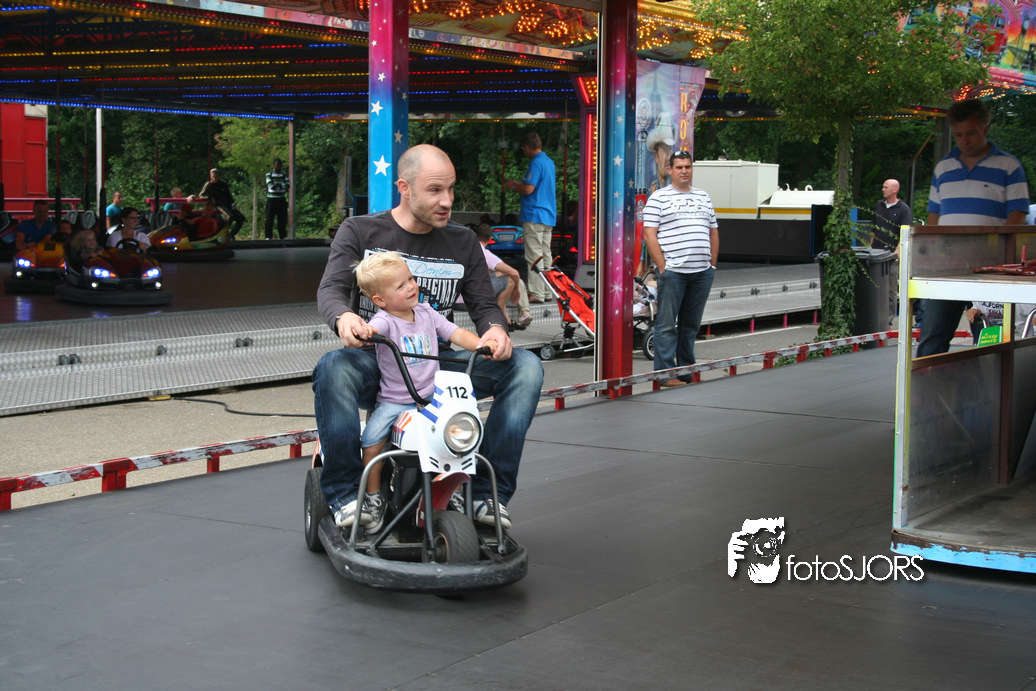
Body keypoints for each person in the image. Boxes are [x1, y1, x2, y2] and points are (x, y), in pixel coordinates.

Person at [313, 143, 543, 530]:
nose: (447, 200)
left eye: (451, 189)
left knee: (527, 367)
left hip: (436, 365)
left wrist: (496, 330)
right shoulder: (361, 231)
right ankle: (349, 495)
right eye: (435, 190)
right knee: (333, 367)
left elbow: (484, 306)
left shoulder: (463, 241)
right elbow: (331, 290)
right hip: (378, 363)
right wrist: (345, 316)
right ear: (405, 188)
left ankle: (486, 494)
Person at [352, 251, 490, 532]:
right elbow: (371, 329)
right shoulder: (385, 320)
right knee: (372, 443)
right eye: (400, 286)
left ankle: (454, 492)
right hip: (395, 401)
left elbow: (454, 333)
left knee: (457, 436)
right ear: (380, 300)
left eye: (410, 279)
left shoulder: (427, 313)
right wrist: (363, 332)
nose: (411, 287)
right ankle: (373, 496)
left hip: (433, 397)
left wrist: (481, 345)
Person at [917, 98, 1030, 357]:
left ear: (985, 129)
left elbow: (1018, 214)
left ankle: (998, 378)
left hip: (992, 266)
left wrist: (999, 251)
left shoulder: (1008, 166)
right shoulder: (944, 168)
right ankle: (929, 380)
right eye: (958, 135)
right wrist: (933, 253)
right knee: (932, 336)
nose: (965, 141)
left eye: (971, 133)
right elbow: (934, 215)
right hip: (949, 265)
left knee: (1000, 333)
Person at [642, 150, 719, 387]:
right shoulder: (659, 198)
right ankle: (665, 375)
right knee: (666, 325)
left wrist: (712, 264)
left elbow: (713, 231)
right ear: (670, 170)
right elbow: (649, 234)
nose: (684, 171)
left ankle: (686, 371)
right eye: (679, 167)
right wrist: (663, 267)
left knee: (690, 326)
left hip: (701, 272)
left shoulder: (703, 196)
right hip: (674, 272)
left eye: (687, 166)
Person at [506, 132, 556, 304]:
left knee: (534, 255)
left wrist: (514, 186)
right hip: (548, 215)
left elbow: (528, 189)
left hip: (534, 214)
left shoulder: (536, 163)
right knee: (546, 254)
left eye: (524, 149)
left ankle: (536, 292)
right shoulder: (549, 162)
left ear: (527, 147)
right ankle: (548, 291)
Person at [475, 223, 533, 330]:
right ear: (490, 238)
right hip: (475, 294)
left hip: (467, 292)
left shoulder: (469, 249)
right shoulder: (485, 253)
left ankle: (508, 320)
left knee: (504, 278)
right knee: (510, 280)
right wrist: (516, 289)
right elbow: (514, 273)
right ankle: (508, 316)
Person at [872, 179, 912, 325]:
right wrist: (870, 248)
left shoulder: (904, 209)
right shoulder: (879, 205)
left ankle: (887, 320)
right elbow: (873, 229)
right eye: (883, 187)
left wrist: (897, 252)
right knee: (875, 286)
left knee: (890, 288)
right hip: (876, 252)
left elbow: (905, 233)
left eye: (886, 187)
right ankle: (874, 317)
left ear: (895, 190)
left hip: (891, 254)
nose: (883, 189)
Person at [192, 168, 245, 238]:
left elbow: (229, 196)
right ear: (210, 176)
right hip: (220, 204)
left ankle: (232, 234)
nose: (215, 178)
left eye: (216, 176)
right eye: (213, 176)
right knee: (230, 216)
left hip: (228, 204)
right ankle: (223, 233)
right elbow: (201, 195)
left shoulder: (223, 184)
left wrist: (233, 204)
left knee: (241, 217)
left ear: (218, 176)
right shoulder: (209, 184)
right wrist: (210, 198)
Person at [264, 158, 290, 240]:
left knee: (282, 219)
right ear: (274, 165)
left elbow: (288, 185)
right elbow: (271, 186)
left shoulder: (284, 174)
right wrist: (281, 185)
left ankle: (283, 236)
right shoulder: (269, 175)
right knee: (269, 218)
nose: (279, 166)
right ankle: (268, 236)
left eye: (280, 165)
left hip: (281, 199)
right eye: (277, 164)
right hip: (272, 199)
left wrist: (277, 185)